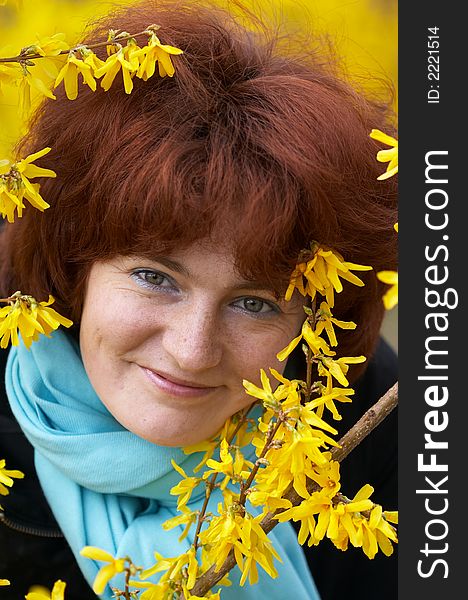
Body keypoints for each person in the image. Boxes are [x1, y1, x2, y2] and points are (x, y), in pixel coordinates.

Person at [0, 0, 398, 598]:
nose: (191, 352)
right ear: (76, 266)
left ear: (317, 320)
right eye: (155, 278)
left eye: (255, 303)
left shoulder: (375, 429)